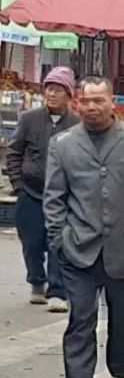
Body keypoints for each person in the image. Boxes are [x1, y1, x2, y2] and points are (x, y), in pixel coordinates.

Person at [43, 76, 124, 378]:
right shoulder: (64, 144)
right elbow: (54, 196)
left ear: (113, 102)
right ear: (77, 104)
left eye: (100, 100)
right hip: (78, 245)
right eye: (86, 101)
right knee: (80, 314)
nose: (92, 107)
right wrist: (59, 238)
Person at [6, 67, 79, 311]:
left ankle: (57, 291)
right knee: (32, 241)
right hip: (31, 191)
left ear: (68, 94)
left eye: (58, 89)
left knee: (58, 241)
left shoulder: (77, 124)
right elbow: (14, 151)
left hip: (63, 195)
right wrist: (18, 184)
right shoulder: (29, 119)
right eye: (49, 88)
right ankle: (37, 280)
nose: (52, 94)